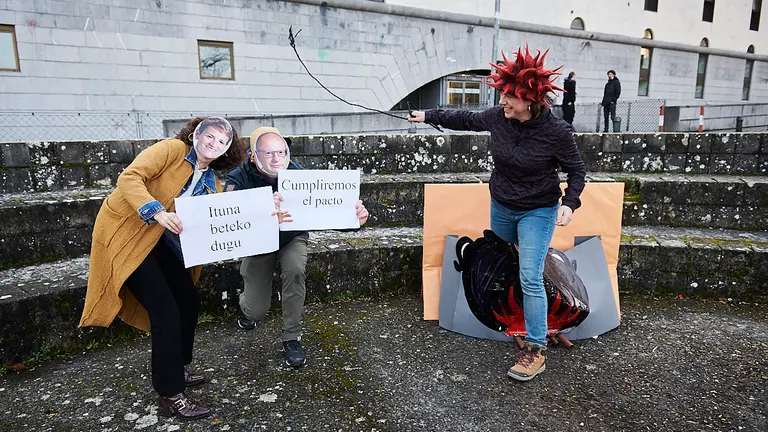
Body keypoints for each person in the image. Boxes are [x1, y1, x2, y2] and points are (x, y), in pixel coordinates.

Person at [408, 46, 586, 382]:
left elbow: (577, 171)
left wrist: (569, 203)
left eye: (509, 98)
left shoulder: (557, 133)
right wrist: (428, 115)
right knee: (509, 262)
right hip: (502, 206)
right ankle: (521, 313)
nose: (503, 102)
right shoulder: (498, 118)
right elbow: (465, 119)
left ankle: (535, 351)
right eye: (502, 95)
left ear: (531, 100)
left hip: (538, 209)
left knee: (529, 274)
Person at [79, 117, 246, 420]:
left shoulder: (212, 182)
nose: (214, 143)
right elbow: (129, 178)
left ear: (227, 150)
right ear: (196, 134)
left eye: (222, 141)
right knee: (165, 311)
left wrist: (268, 210)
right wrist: (155, 211)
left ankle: (177, 367)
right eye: (209, 136)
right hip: (129, 235)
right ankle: (170, 394)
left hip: (159, 242)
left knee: (189, 300)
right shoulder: (171, 149)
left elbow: (222, 217)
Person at [224, 127, 370, 368]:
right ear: (253, 155)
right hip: (258, 239)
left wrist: (354, 220)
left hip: (291, 236)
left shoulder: (298, 174)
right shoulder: (238, 178)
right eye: (268, 153)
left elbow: (323, 211)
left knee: (295, 270)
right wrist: (261, 207)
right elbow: (228, 216)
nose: (275, 158)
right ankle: (246, 307)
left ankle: (291, 337)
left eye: (280, 152)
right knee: (255, 311)